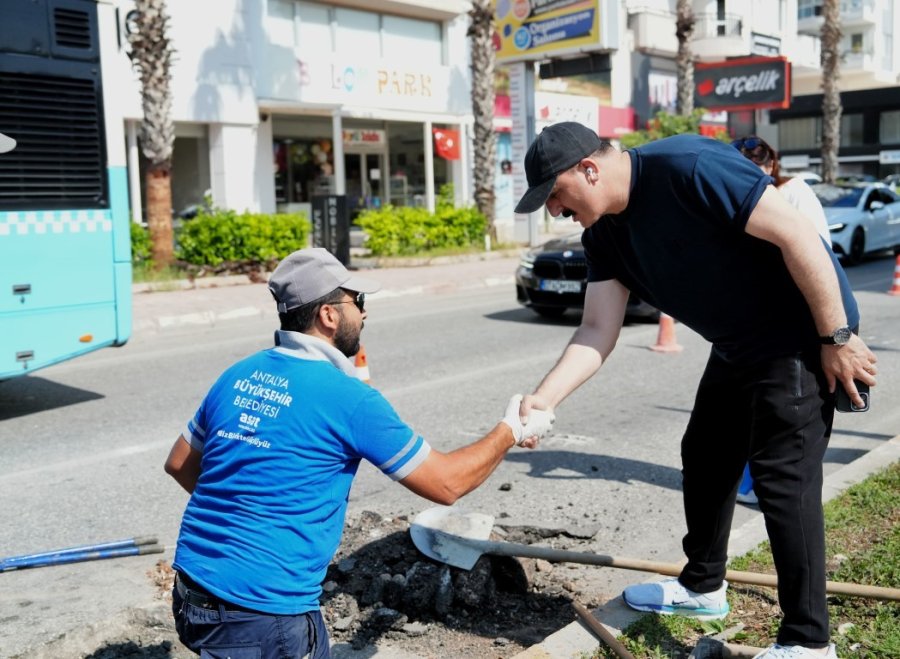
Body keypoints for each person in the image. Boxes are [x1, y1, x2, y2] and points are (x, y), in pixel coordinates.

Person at [513, 122, 877, 659]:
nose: (555, 212)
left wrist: (836, 336)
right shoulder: (603, 236)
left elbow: (796, 235)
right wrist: (544, 398)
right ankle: (702, 588)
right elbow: (596, 329)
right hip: (737, 344)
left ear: (588, 170)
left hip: (800, 334)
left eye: (556, 196)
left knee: (782, 476)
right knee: (705, 455)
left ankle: (808, 641)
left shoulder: (689, 166)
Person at [164, 247, 554, 658]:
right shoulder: (349, 399)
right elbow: (447, 483)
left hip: (192, 593)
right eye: (358, 302)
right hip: (263, 614)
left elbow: (178, 462)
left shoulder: (238, 374)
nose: (364, 314)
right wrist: (512, 429)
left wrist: (247, 515)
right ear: (328, 316)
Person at [732, 135, 833, 505]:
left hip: (795, 314)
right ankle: (753, 485)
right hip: (758, 316)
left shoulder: (793, 192)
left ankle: (776, 491)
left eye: (756, 165)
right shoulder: (737, 195)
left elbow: (817, 248)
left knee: (785, 412)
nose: (749, 173)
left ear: (770, 166)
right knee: (756, 407)